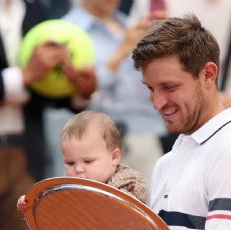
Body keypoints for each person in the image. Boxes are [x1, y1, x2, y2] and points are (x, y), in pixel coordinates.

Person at [0, 0, 96, 229]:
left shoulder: (35, 9)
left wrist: (78, 92)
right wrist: (24, 76)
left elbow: (41, 89)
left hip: (27, 156)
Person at [132, 14, 231, 229]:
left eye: (169, 87)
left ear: (208, 74)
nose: (157, 103)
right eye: (150, 88)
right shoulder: (166, 163)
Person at [44, 0, 167, 181]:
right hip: (91, 149)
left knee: (147, 207)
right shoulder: (64, 33)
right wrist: (121, 52)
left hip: (146, 138)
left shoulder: (132, 26)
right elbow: (70, 96)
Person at [17, 111, 148, 213]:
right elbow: (52, 204)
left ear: (114, 157)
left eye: (88, 161)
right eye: (70, 163)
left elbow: (121, 210)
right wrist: (33, 204)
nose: (78, 169)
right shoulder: (68, 188)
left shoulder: (129, 180)